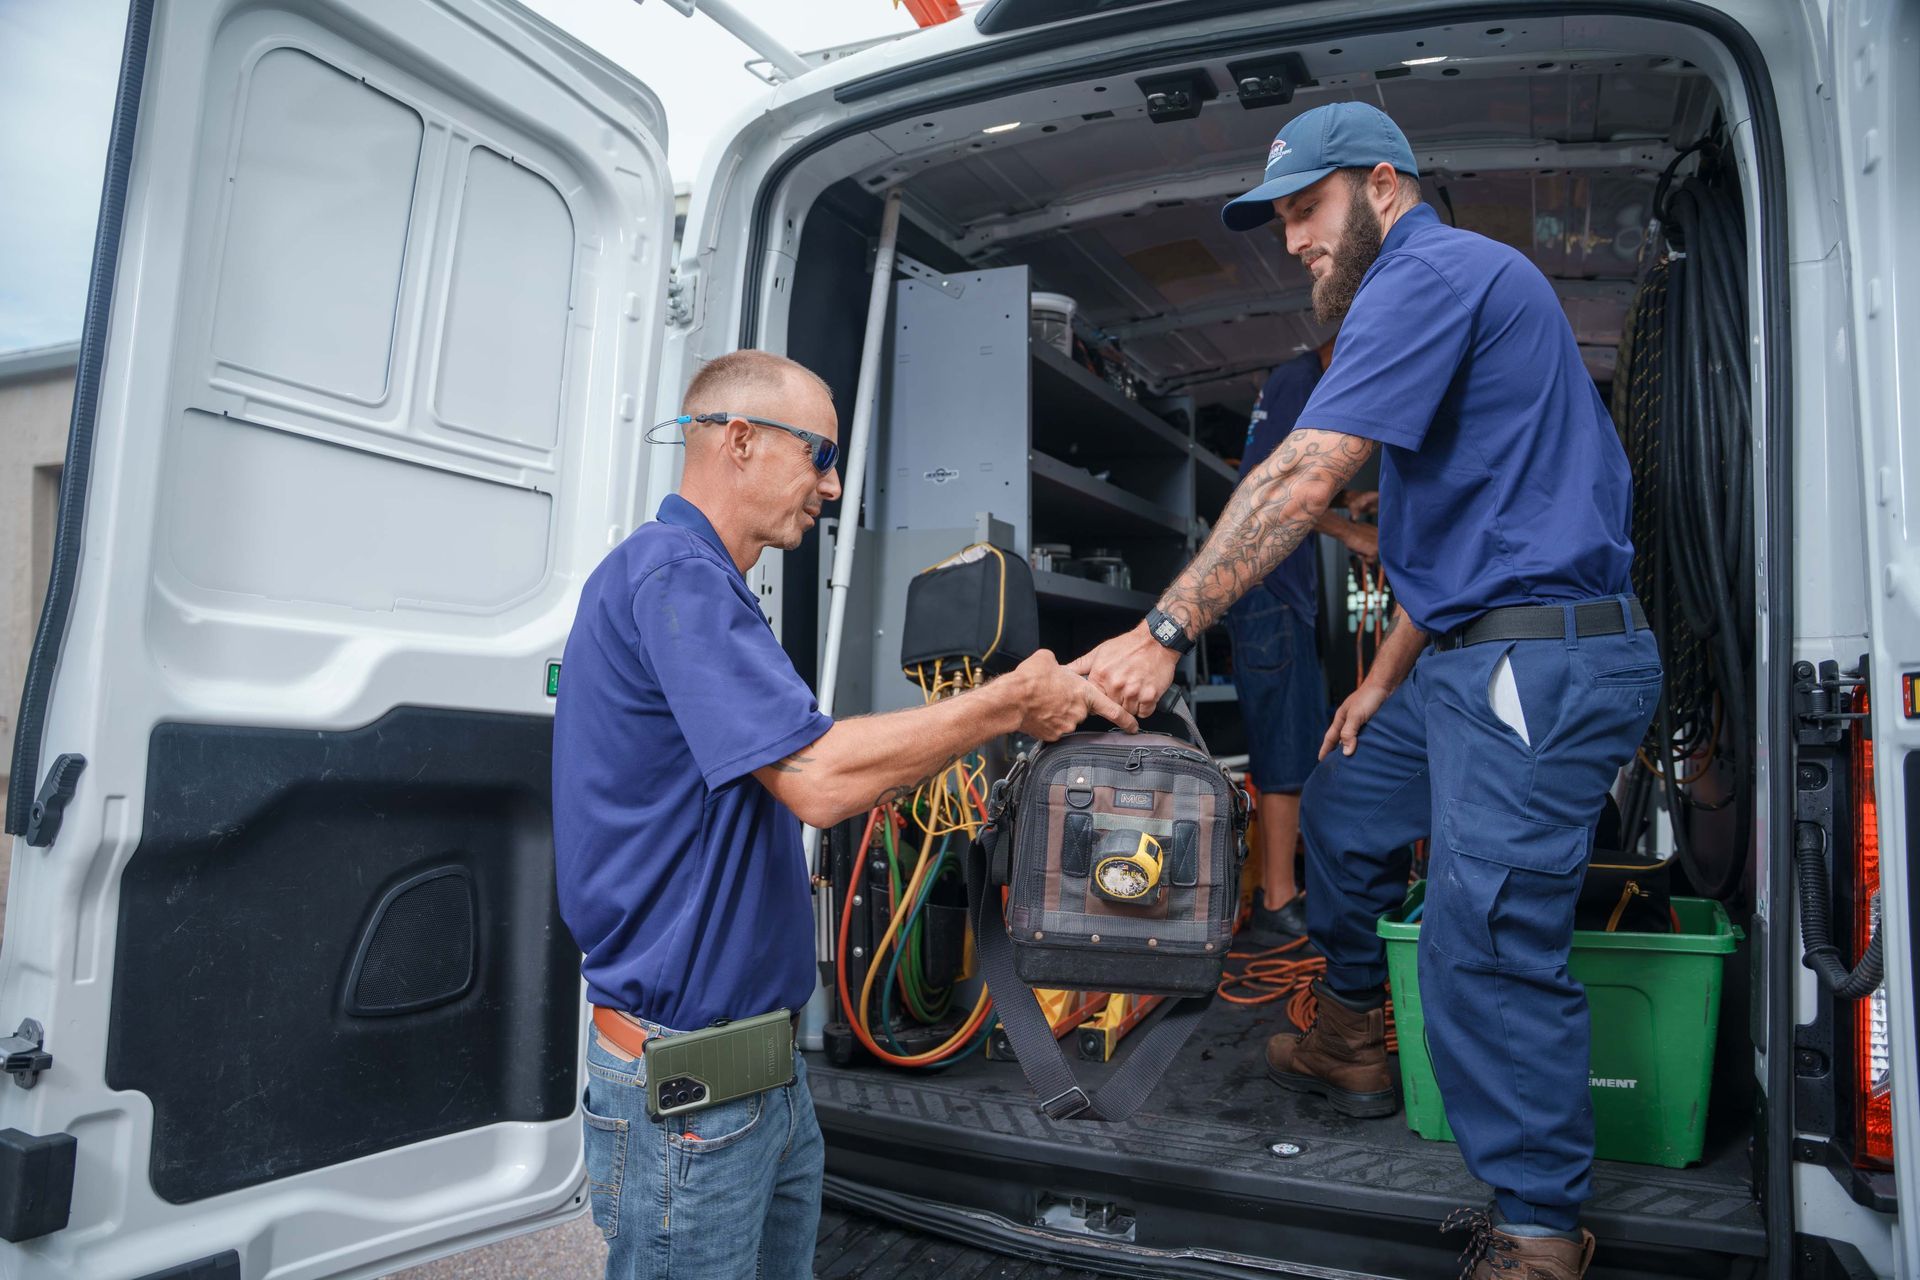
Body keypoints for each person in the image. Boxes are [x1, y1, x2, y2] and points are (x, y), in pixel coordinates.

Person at [1074, 102, 1658, 1279]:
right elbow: (1442, 544)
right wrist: (1383, 682)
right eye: (1279, 219)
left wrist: (1167, 626)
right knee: (1342, 805)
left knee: (1480, 938)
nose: (1289, 241)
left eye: (1305, 209)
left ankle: (1541, 1231)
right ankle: (1349, 1035)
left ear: (1382, 184)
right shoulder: (1439, 297)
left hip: (1537, 659)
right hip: (1470, 655)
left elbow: (1302, 472)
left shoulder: (1430, 269)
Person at [553, 350, 1131, 1280]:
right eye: (819, 453)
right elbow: (818, 778)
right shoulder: (674, 578)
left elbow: (815, 765)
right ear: (738, 440)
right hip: (696, 1092)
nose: (829, 485)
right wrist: (1005, 705)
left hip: (761, 1074)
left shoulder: (706, 586)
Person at [1230, 334, 1378, 944]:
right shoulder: (1296, 381)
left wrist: (1348, 496)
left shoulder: (1297, 382)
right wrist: (1354, 534)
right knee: (1285, 748)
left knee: (1297, 739)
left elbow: (1296, 478)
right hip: (1270, 593)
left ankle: (1283, 892)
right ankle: (1277, 903)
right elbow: (1273, 487)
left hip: (1277, 594)